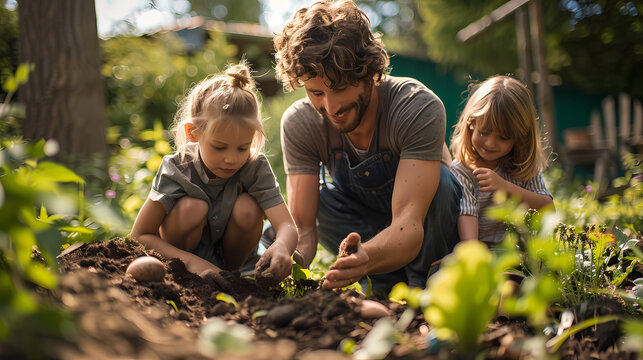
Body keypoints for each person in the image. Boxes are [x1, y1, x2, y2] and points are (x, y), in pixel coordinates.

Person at [272, 0, 462, 294]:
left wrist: (367, 257)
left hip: (425, 235)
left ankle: (426, 286)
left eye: (340, 87)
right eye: (317, 92)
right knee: (320, 201)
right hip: (364, 227)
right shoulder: (301, 124)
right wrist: (285, 260)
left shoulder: (416, 106)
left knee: (444, 184)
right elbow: (305, 229)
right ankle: (382, 286)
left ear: (370, 73)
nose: (330, 107)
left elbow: (409, 225)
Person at [130, 63, 298, 287]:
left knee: (248, 206)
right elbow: (139, 234)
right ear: (193, 133)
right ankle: (188, 276)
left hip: (236, 261)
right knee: (192, 206)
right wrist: (192, 264)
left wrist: (282, 246)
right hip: (183, 261)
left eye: (242, 148)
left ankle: (231, 277)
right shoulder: (177, 167)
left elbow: (287, 226)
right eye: (219, 147)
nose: (231, 159)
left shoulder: (255, 168)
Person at [449, 75, 554, 246]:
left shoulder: (523, 166)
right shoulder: (463, 169)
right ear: (471, 124)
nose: (490, 143)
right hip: (480, 251)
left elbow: (548, 208)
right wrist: (473, 254)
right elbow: (467, 213)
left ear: (519, 138)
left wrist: (505, 187)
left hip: (519, 256)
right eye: (483, 132)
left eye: (503, 137)